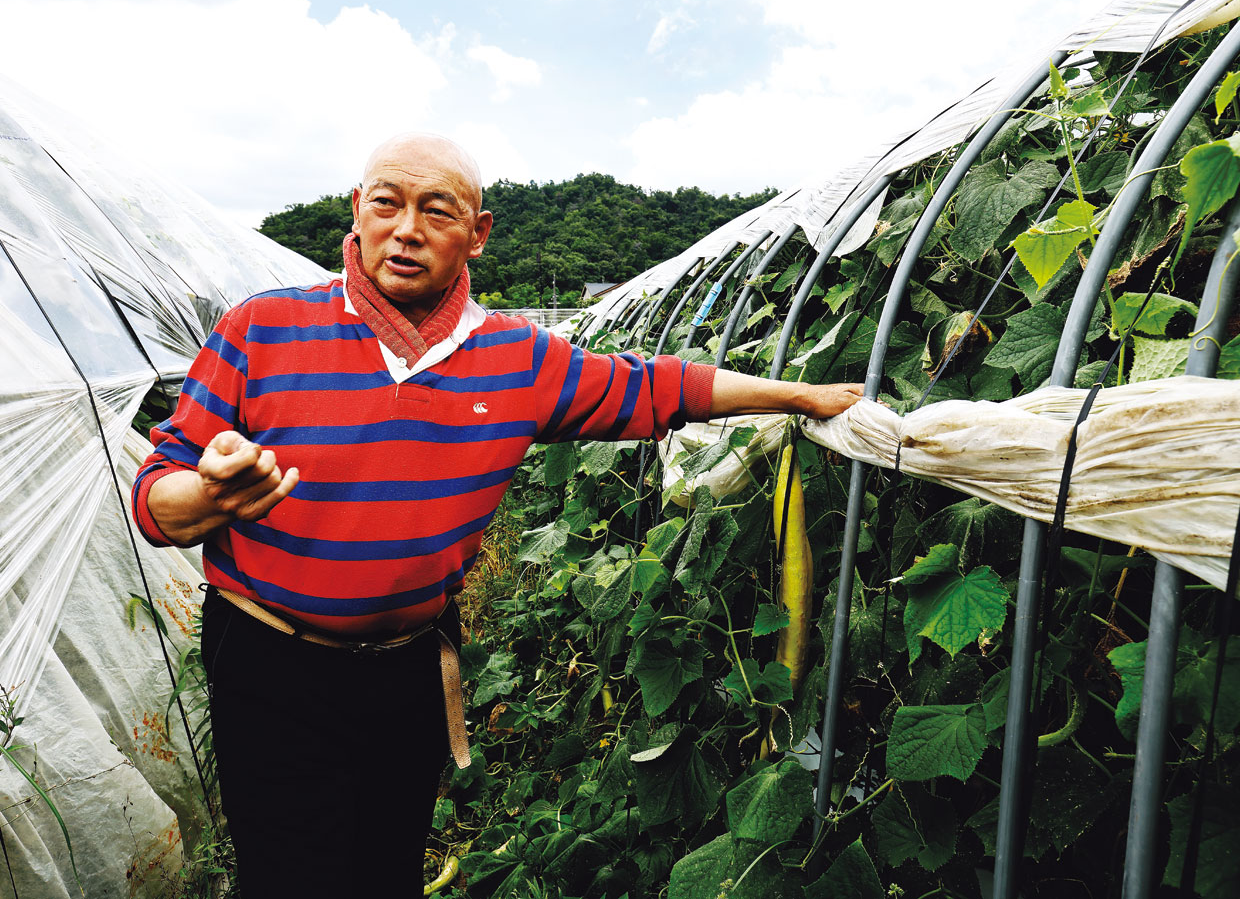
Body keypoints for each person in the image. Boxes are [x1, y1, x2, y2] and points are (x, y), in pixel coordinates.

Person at [131, 132, 863, 897]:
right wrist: (207, 495)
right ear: (357, 211)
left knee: (385, 866)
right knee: (289, 877)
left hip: (407, 666)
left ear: (477, 234)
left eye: (436, 211)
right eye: (386, 203)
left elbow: (658, 389)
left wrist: (798, 396)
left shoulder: (519, 359)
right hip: (270, 658)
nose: (405, 229)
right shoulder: (262, 330)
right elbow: (159, 496)